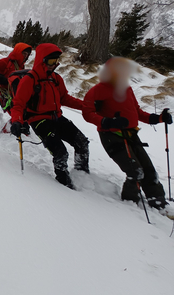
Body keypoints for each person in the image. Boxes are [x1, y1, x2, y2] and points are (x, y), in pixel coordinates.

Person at [82, 57, 174, 218]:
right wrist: (108, 121)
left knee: (148, 169)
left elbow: (137, 113)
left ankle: (158, 201)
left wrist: (159, 118)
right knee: (135, 172)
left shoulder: (126, 89)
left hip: (131, 135)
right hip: (111, 136)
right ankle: (129, 203)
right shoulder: (98, 90)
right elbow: (87, 113)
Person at [10, 43, 89, 188]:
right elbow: (18, 104)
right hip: (39, 121)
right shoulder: (30, 80)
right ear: (42, 60)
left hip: (57, 118)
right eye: (52, 61)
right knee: (61, 153)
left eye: (56, 61)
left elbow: (65, 98)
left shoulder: (56, 78)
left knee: (82, 142)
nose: (55, 65)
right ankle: (64, 183)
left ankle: (82, 174)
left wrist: (87, 106)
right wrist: (16, 121)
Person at [0, 42, 32, 111]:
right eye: (24, 54)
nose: (25, 56)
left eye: (27, 55)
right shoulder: (6, 62)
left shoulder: (21, 66)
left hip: (13, 92)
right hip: (3, 93)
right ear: (18, 52)